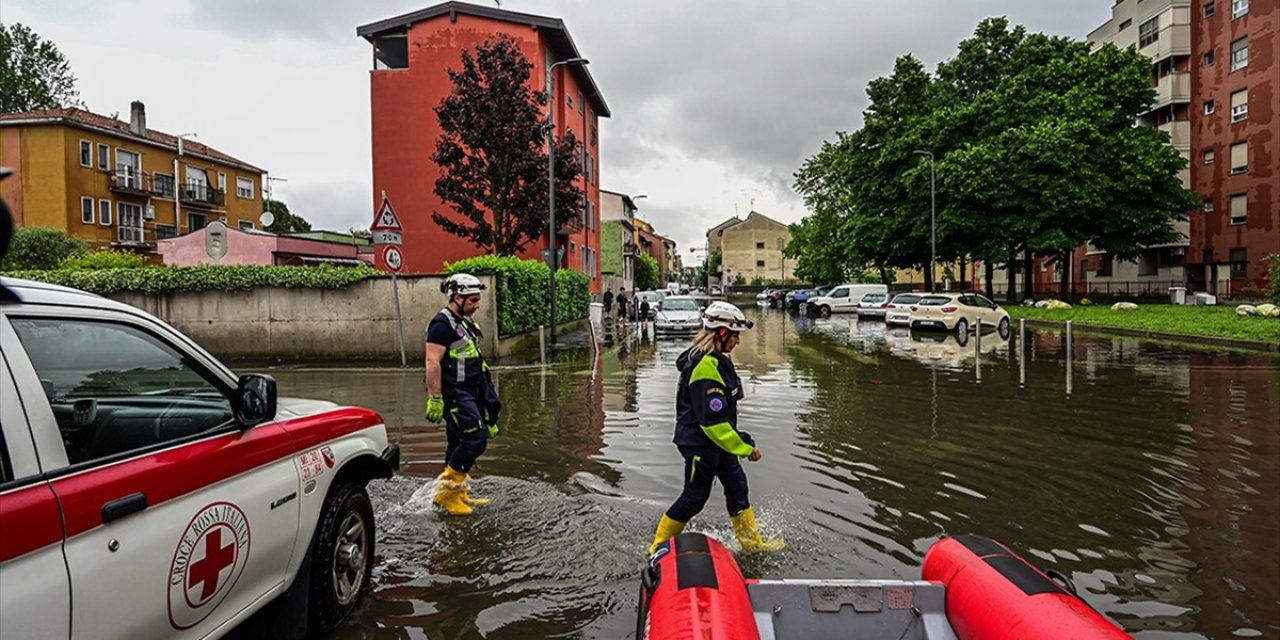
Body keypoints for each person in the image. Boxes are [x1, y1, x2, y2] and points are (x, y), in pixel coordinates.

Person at [648, 301, 784, 554]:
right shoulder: (705, 367)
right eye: (735, 336)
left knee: (738, 489)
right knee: (694, 498)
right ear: (721, 333)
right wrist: (745, 447)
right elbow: (712, 422)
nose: (738, 341)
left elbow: (721, 418)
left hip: (720, 443)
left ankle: (752, 545)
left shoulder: (717, 359)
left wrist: (737, 441)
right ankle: (657, 548)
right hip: (701, 444)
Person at [424, 273, 501, 516]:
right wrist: (435, 397)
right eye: (473, 300)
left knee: (457, 441)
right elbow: (432, 362)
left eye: (478, 299)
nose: (477, 305)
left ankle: (457, 492)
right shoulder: (441, 324)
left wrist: (489, 404)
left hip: (471, 390)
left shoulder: (465, 323)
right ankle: (447, 494)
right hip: (455, 393)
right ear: (457, 297)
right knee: (474, 439)